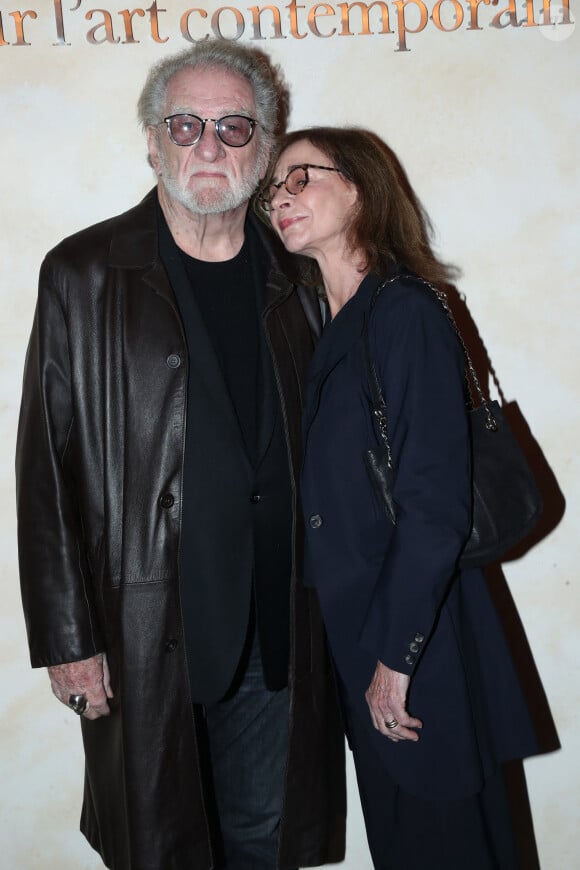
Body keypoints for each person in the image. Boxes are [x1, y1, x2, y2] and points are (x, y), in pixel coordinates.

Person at [15, 45, 346, 870]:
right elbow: (45, 468)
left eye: (235, 126)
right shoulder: (86, 274)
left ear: (264, 149)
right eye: (186, 125)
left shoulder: (300, 274)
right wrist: (67, 636)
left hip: (281, 631)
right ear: (152, 144)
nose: (210, 145)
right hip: (143, 633)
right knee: (160, 847)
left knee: (263, 838)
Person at [257, 127, 543, 869]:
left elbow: (434, 501)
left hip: (418, 642)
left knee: (444, 846)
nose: (280, 198)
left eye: (300, 178)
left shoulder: (404, 310)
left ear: (357, 187)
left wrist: (397, 657)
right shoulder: (333, 326)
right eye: (273, 189)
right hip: (365, 642)